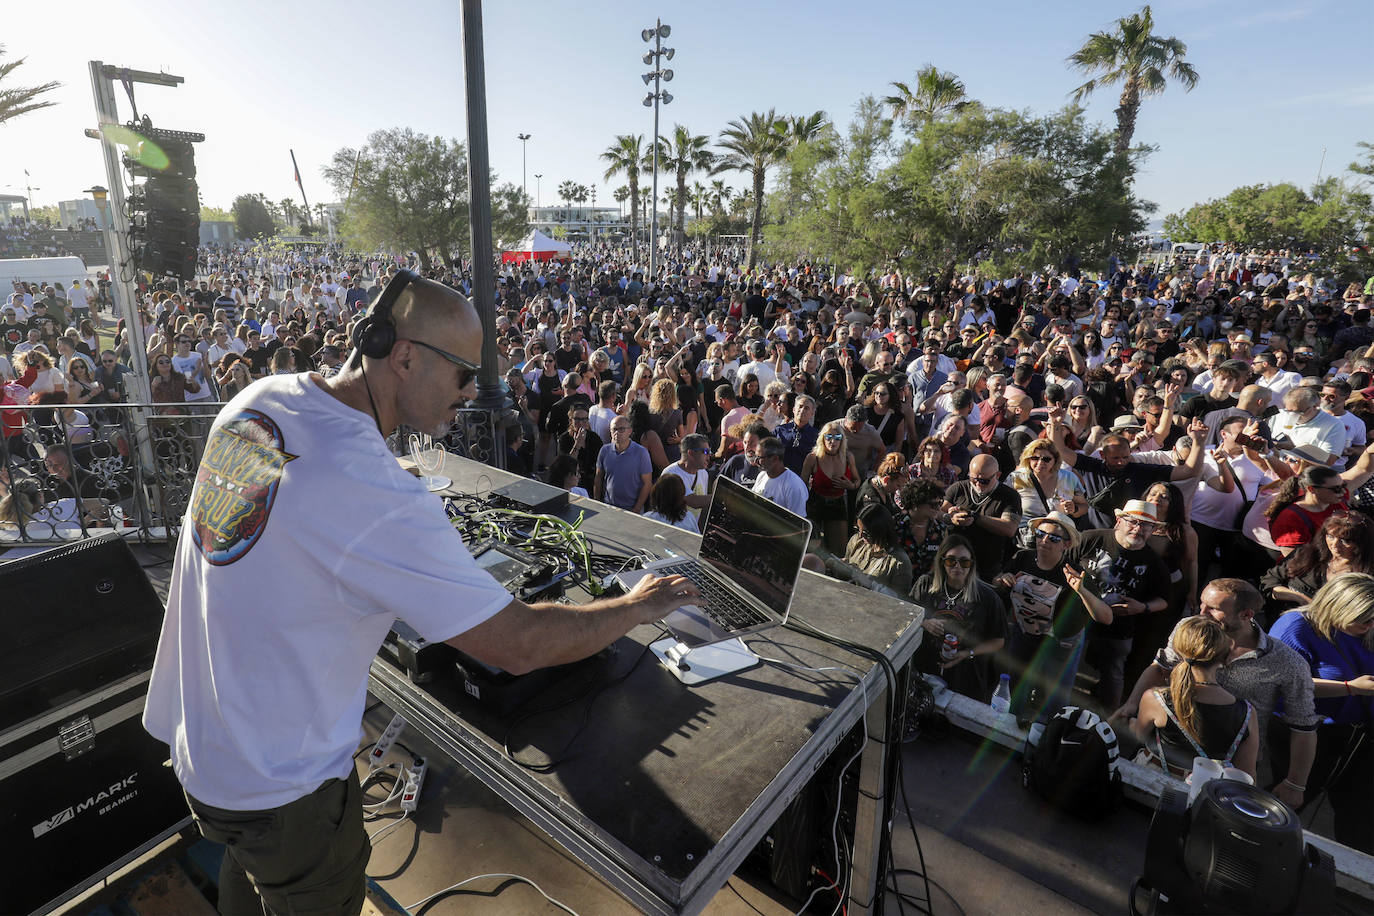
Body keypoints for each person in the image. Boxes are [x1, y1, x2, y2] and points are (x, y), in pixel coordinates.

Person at [142, 271, 700, 916]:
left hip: (204, 743)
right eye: (467, 373)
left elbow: (274, 523)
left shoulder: (262, 400)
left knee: (256, 875)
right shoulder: (374, 496)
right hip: (281, 783)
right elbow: (517, 645)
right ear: (404, 356)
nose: (477, 391)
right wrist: (640, 603)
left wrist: (379, 490)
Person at [1116, 578, 1318, 809]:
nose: (1201, 613)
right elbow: (1160, 669)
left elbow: (1303, 727)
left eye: (1213, 608)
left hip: (1226, 774)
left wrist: (1296, 783)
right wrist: (1131, 704)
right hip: (1165, 753)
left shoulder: (1287, 662)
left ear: (1246, 614)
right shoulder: (1189, 628)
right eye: (1202, 603)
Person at [1269, 574, 1374, 853]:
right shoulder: (1296, 626)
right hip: (1302, 735)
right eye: (1363, 619)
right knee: (1283, 806)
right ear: (1338, 607)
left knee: (1360, 821)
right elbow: (1282, 682)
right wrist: (1350, 688)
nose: (1369, 625)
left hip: (1357, 740)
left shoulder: (1366, 628)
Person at [1062, 499, 1171, 709]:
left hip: (1118, 628)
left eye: (1146, 525)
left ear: (1153, 530)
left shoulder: (1154, 563)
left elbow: (1163, 600)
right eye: (1132, 522)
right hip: (1076, 616)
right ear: (1119, 520)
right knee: (1063, 665)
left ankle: (1109, 722)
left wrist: (1143, 607)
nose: (1138, 529)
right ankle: (1053, 708)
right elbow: (1063, 563)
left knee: (1112, 676)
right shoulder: (1091, 538)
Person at [1129, 616, 1260, 781]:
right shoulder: (1247, 713)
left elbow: (1139, 736)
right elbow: (1246, 773)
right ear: (1226, 657)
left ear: (1179, 650)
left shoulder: (1156, 699)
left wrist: (1131, 723)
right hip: (1204, 791)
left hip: (1152, 779)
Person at [910, 533, 1007, 701]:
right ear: (942, 562)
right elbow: (906, 616)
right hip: (923, 669)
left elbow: (998, 641)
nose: (958, 567)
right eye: (951, 561)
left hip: (965, 679)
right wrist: (924, 622)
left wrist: (967, 653)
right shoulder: (925, 584)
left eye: (964, 562)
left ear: (972, 565)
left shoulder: (987, 598)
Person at [1262, 512, 1374, 607]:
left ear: (1361, 543)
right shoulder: (1308, 554)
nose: (1334, 544)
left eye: (1345, 541)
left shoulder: (1366, 575)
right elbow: (1269, 581)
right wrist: (1300, 598)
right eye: (1331, 536)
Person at [942, 453, 1021, 578]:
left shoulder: (1009, 496)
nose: (978, 484)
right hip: (953, 561)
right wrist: (950, 517)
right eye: (974, 479)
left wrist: (975, 517)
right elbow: (938, 512)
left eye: (984, 481)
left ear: (998, 475)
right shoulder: (959, 488)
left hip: (986, 566)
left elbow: (1009, 528)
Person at [802, 420, 859, 555]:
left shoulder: (848, 457)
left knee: (838, 551)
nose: (832, 441)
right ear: (822, 439)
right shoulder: (812, 458)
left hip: (837, 503)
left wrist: (850, 485)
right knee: (810, 549)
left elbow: (857, 481)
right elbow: (802, 485)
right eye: (828, 437)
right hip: (815, 503)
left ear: (842, 440)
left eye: (837, 438)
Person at [841, 502, 913, 594]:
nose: (860, 536)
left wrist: (869, 583)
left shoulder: (899, 562)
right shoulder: (856, 541)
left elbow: (901, 600)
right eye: (858, 529)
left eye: (866, 533)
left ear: (880, 531)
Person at [595, 415, 652, 512]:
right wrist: (597, 502)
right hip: (609, 506)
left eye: (621, 429)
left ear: (630, 431)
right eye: (614, 429)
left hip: (631, 509)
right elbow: (598, 477)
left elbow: (647, 483)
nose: (617, 432)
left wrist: (637, 509)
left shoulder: (641, 453)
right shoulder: (605, 450)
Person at [752, 436, 808, 517]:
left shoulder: (794, 486)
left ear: (774, 458)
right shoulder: (762, 476)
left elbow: (797, 523)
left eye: (759, 458)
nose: (755, 461)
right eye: (755, 456)